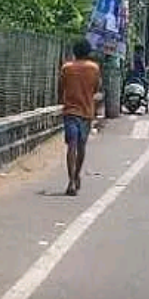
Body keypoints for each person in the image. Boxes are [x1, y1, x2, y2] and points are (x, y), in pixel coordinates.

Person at [58, 38, 102, 195]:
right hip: (86, 112)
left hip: (70, 111)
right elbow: (96, 88)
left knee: (71, 145)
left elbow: (60, 89)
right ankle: (76, 175)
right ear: (88, 52)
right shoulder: (94, 68)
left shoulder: (66, 68)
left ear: (74, 52)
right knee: (81, 146)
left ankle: (71, 181)